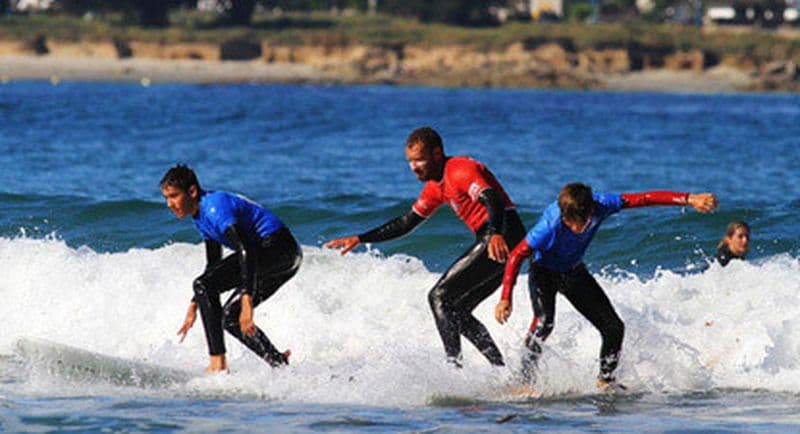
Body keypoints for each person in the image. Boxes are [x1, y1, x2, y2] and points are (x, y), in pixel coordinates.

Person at [324, 126, 526, 367]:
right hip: (497, 237)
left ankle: (454, 369)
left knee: (439, 297)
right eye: (410, 161)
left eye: (420, 159)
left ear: (437, 153)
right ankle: (500, 369)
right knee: (456, 311)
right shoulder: (435, 187)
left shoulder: (460, 169)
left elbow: (491, 198)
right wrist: (360, 238)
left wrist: (495, 234)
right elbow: (406, 223)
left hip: (503, 235)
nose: (414, 167)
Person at [495, 183, 718, 389]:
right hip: (543, 272)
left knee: (614, 328)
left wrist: (688, 199)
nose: (577, 228)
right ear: (564, 216)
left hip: (573, 271)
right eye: (571, 224)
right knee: (544, 324)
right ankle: (523, 381)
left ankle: (605, 381)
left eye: (582, 223)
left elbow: (644, 199)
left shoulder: (601, 205)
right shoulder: (548, 226)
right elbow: (516, 255)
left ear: (590, 211)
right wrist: (506, 297)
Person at [160, 164, 302, 372]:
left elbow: (247, 248)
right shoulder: (200, 216)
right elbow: (213, 266)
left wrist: (247, 299)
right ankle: (279, 363)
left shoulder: (215, 207)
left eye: (173, 196)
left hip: (277, 248)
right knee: (230, 318)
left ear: (192, 191)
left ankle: (217, 364)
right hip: (286, 257)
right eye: (166, 198)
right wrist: (195, 302)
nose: (169, 204)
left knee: (206, 287)